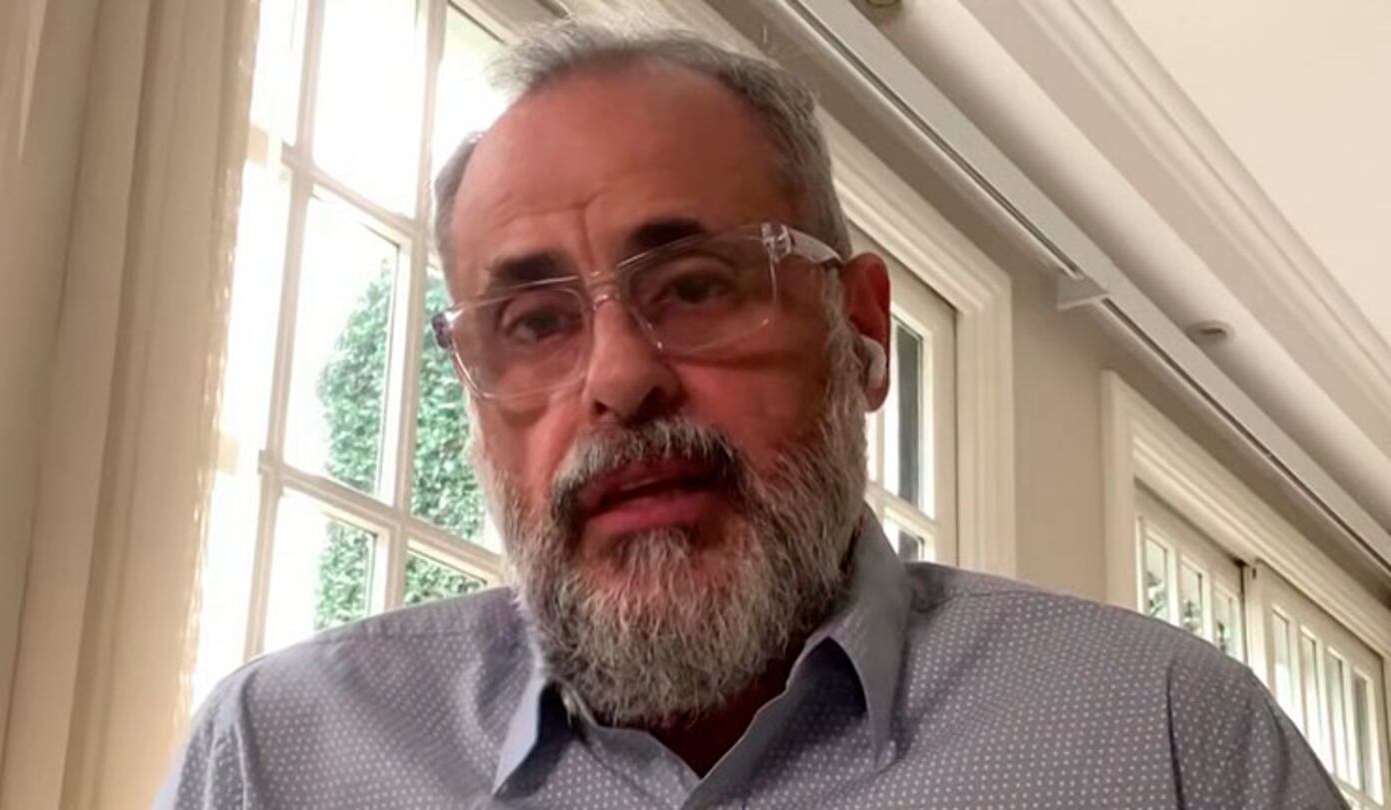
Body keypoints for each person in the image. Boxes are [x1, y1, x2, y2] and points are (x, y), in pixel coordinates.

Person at [157, 20, 1345, 809]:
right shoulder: (273, 762)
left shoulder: (1169, 742)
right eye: (536, 321)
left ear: (860, 329)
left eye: (694, 287)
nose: (619, 380)